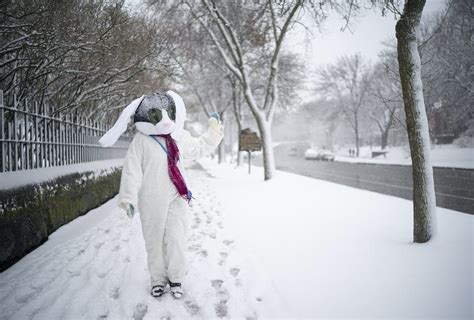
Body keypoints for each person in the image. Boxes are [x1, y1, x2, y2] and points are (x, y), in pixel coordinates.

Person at [99, 91, 224, 299]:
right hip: (151, 198)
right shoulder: (141, 141)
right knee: (154, 240)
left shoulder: (179, 136)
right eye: (158, 116)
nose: (165, 121)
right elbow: (132, 170)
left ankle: (176, 278)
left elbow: (200, 148)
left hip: (178, 195)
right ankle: (158, 279)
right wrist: (128, 198)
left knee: (176, 238)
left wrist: (213, 130)